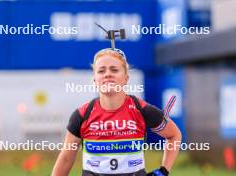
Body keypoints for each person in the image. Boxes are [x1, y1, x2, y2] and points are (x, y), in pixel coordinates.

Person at [52, 48, 182, 176]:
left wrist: (163, 171)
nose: (107, 74)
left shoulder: (141, 110)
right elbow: (66, 158)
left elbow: (174, 135)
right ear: (95, 80)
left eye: (114, 70)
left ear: (126, 78)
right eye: (101, 71)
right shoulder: (82, 114)